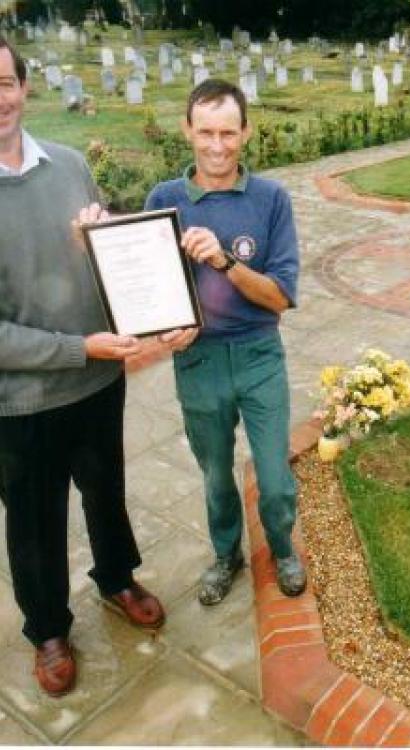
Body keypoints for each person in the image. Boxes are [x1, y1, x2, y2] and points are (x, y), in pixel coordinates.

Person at [0, 37, 165, 698]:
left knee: (105, 490)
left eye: (5, 82)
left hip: (97, 384)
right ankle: (47, 629)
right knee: (34, 519)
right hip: (22, 400)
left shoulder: (68, 164)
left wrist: (102, 243)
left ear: (23, 87)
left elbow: (110, 260)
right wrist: (81, 348)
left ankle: (117, 576)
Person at [145, 79, 306, 604]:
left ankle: (282, 547)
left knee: (276, 478)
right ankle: (225, 555)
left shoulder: (270, 200)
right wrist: (165, 327)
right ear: (187, 130)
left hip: (259, 355)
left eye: (228, 133)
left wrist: (225, 261)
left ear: (246, 133)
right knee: (215, 475)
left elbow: (279, 297)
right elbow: (149, 293)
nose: (217, 146)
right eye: (206, 132)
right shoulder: (165, 200)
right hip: (199, 361)